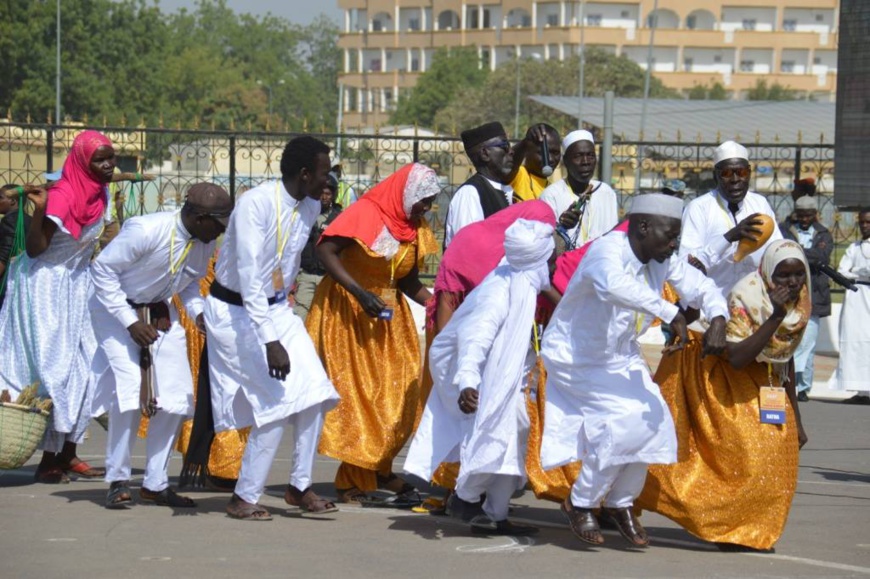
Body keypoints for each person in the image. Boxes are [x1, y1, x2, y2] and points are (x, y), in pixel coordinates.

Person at [540, 193, 729, 547]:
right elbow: (614, 287)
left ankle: (620, 501)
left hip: (620, 355)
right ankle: (580, 502)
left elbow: (700, 285)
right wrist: (669, 311)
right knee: (623, 423)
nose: (674, 244)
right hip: (575, 356)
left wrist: (718, 316)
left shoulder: (661, 258)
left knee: (655, 421)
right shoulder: (606, 252)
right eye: (670, 236)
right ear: (643, 227)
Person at [638, 239, 811, 552]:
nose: (793, 282)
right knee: (741, 456)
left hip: (767, 379)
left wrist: (796, 419)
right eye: (784, 275)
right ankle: (729, 527)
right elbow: (738, 358)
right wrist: (774, 316)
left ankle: (752, 527)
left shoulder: (800, 302)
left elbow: (785, 355)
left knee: (780, 452)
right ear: (769, 274)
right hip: (725, 378)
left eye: (799, 274)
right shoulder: (746, 296)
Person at [204, 136, 340, 521]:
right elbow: (249, 278)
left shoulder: (309, 205)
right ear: (304, 174)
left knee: (315, 392)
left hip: (277, 308)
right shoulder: (256, 204)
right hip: (236, 313)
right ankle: (244, 496)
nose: (328, 180)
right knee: (275, 401)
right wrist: (270, 341)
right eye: (324, 172)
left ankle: (299, 486)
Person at [406, 219, 554, 536]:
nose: (552, 264)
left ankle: (495, 515)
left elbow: (547, 286)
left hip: (509, 375)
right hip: (481, 376)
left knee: (516, 433)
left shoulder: (524, 276)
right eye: (549, 257)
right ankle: (466, 498)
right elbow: (475, 339)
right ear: (536, 258)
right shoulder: (498, 291)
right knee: (496, 435)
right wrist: (468, 382)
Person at [89, 183, 232, 509]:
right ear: (199, 217)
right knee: (130, 392)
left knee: (177, 396)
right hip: (114, 310)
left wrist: (198, 315)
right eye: (218, 224)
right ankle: (118, 479)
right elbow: (102, 271)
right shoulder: (146, 230)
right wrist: (130, 322)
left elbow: (190, 284)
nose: (221, 232)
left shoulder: (205, 240)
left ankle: (155, 483)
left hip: (158, 311)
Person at [307, 162, 440, 505]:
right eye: (423, 199)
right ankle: (352, 479)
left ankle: (379, 468)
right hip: (348, 313)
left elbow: (407, 281)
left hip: (387, 316)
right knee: (362, 397)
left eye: (430, 201)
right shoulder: (366, 212)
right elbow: (325, 250)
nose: (427, 208)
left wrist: (439, 306)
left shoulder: (413, 225)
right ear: (406, 193)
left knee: (399, 398)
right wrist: (359, 292)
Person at [0, 130, 115, 484]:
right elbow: (36, 250)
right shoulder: (62, 196)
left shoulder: (100, 192)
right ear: (81, 161)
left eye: (111, 158)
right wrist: (39, 211)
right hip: (44, 288)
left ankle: (67, 453)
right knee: (56, 372)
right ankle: (48, 459)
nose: (108, 166)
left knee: (88, 369)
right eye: (99, 160)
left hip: (77, 287)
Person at [680, 140, 782, 299]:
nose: (735, 179)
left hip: (754, 304)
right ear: (716, 176)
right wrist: (728, 238)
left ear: (749, 173)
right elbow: (687, 265)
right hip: (713, 305)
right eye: (727, 173)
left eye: (741, 172)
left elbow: (777, 251)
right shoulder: (699, 208)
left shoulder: (760, 204)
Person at [779, 195, 833, 401]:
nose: (804, 219)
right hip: (789, 294)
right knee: (788, 340)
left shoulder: (823, 233)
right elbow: (781, 253)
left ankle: (803, 387)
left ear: (815, 214)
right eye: (801, 215)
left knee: (808, 343)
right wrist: (808, 254)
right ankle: (786, 382)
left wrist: (797, 251)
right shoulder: (785, 229)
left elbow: (822, 257)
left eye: (808, 215)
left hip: (815, 295)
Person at [540, 130, 619, 252]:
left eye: (590, 155)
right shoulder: (551, 195)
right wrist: (561, 227)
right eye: (578, 156)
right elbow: (543, 244)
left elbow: (614, 238)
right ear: (566, 161)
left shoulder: (606, 193)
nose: (585, 162)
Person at [444, 122, 515, 247]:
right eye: (504, 146)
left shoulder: (505, 188)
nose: (511, 151)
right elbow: (468, 248)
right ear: (484, 154)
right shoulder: (470, 194)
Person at [293, 172, 342, 321]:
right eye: (322, 193)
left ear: (333, 195)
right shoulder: (305, 214)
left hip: (328, 277)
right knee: (300, 315)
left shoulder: (339, 218)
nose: (324, 197)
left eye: (328, 194)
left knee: (327, 318)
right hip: (306, 275)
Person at [834, 208, 870, 405]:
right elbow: (842, 271)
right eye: (862, 222)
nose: (864, 226)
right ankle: (861, 390)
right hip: (856, 297)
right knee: (855, 342)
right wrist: (860, 273)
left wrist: (857, 271)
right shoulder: (854, 248)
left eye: (868, 222)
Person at [509, 124, 562, 203]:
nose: (550, 159)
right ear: (527, 151)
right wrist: (524, 143)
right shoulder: (518, 175)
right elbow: (508, 162)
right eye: (542, 153)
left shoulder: (554, 191)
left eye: (555, 153)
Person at [0, 184, 32, 310]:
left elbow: (6, 252)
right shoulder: (30, 220)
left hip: (7, 279)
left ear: (13, 201)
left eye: (0, 197)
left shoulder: (10, 220)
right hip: (24, 277)